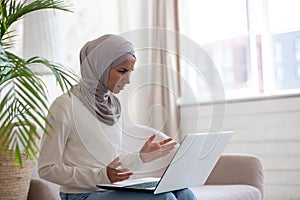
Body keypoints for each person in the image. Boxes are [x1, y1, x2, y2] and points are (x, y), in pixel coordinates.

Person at [38, 34, 197, 200]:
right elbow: (47, 168)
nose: (128, 80)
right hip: (80, 195)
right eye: (122, 71)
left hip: (110, 190)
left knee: (185, 193)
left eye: (130, 71)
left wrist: (142, 156)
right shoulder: (64, 106)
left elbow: (112, 164)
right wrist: (101, 175)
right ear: (99, 67)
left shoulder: (112, 105)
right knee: (165, 199)